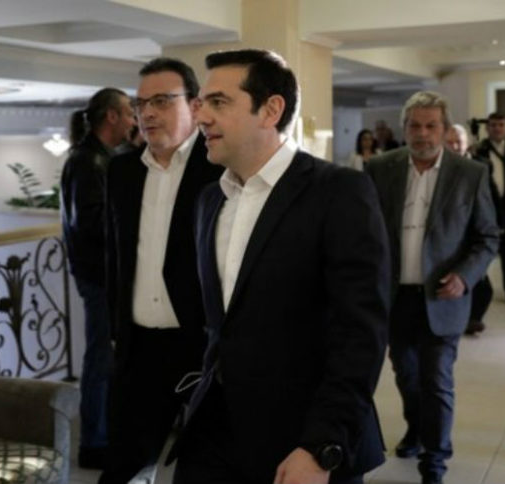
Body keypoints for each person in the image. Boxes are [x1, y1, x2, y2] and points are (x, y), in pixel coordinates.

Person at [171, 49, 390, 484]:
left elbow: (360, 334)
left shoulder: (339, 192)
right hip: (215, 432)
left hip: (301, 440)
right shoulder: (210, 200)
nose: (202, 117)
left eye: (219, 102)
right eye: (201, 103)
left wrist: (321, 446)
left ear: (271, 110)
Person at [99, 58, 223, 484]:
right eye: (140, 104)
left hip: (202, 343)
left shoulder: (219, 168)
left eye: (162, 101)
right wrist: (116, 327)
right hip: (139, 347)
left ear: (195, 104)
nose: (147, 113)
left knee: (206, 467)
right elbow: (116, 256)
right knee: (124, 467)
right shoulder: (122, 171)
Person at [367, 92, 499, 484]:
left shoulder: (470, 173)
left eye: (431, 126)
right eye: (415, 125)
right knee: (406, 376)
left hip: (443, 297)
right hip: (395, 298)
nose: (422, 134)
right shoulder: (379, 168)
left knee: (436, 380)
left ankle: (435, 460)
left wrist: (464, 276)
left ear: (443, 129)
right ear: (404, 128)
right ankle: (417, 428)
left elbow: (487, 237)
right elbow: (365, 231)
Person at [59, 87, 135, 469]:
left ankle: (107, 434)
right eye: (130, 113)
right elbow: (89, 221)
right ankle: (94, 443)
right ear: (112, 116)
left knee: (107, 357)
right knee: (100, 358)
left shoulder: (103, 157)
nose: (134, 121)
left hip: (104, 273)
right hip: (97, 275)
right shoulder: (87, 161)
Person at [444, 123, 502, 336]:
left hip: (476, 228)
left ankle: (474, 318)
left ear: (467, 143)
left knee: (481, 283)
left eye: (458, 141)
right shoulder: (439, 167)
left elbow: (492, 196)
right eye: (450, 142)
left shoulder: (481, 166)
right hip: (451, 230)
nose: (454, 146)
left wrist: (498, 223)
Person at [475, 112, 505, 304]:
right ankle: (477, 291)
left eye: (501, 125)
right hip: (485, 208)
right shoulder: (479, 151)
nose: (497, 128)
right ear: (487, 128)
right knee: (479, 248)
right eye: (493, 125)